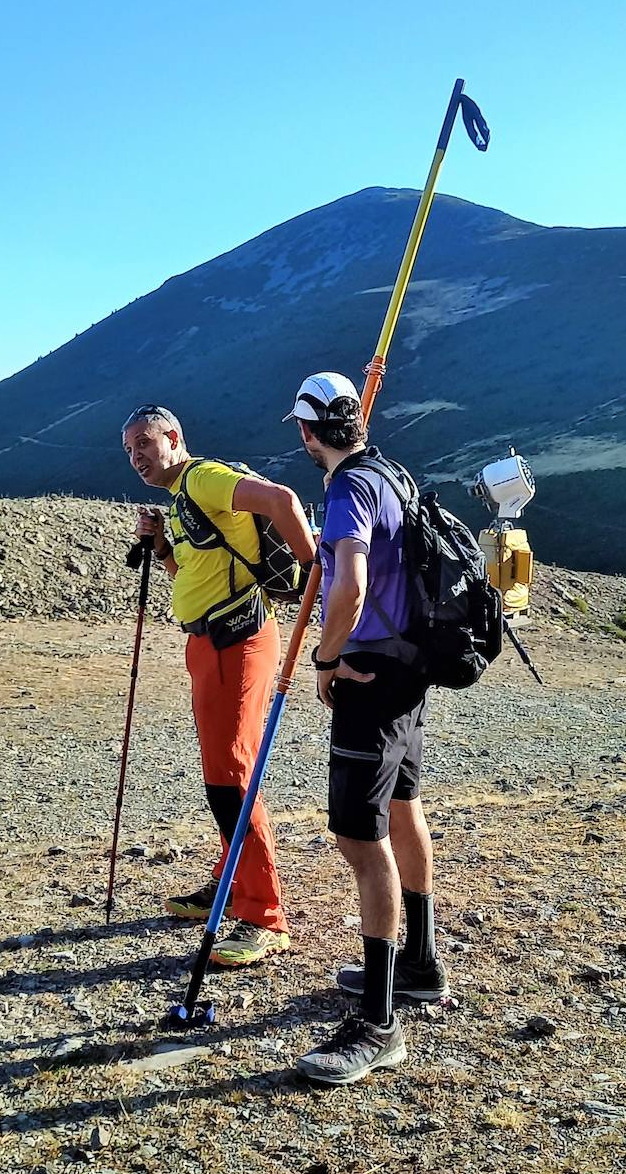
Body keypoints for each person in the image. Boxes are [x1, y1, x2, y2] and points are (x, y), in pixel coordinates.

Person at [283, 372, 449, 1084]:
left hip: (367, 676)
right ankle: (419, 962)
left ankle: (379, 1024)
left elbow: (346, 582)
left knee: (359, 836)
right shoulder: (390, 472)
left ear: (305, 432)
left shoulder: (347, 487)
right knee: (404, 806)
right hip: (409, 670)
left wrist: (325, 659)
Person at [122, 404, 316, 968]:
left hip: (238, 642)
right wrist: (160, 545)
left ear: (174, 437)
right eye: (129, 449)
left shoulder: (204, 478)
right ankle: (232, 882)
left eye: (144, 443)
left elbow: (281, 500)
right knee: (219, 774)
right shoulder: (182, 496)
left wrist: (316, 567)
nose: (136, 457)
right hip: (207, 644)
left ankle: (263, 914)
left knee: (230, 780)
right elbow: (191, 573)